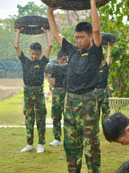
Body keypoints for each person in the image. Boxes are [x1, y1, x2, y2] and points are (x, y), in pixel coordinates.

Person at [47, 0, 103, 171]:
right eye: (76, 37)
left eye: (82, 37)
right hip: (70, 102)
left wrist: (93, 2)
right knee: (71, 146)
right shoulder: (72, 51)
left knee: (91, 146)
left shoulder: (95, 52)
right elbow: (56, 35)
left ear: (90, 37)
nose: (78, 40)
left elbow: (96, 29)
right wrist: (50, 13)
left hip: (88, 103)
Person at [14, 28, 52, 153]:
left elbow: (50, 45)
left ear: (40, 53)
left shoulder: (42, 62)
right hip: (28, 93)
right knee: (29, 118)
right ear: (30, 52)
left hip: (39, 93)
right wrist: (18, 31)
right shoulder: (25, 61)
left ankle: (41, 143)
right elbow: (16, 46)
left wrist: (46, 32)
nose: (34, 56)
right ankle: (29, 143)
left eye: (36, 54)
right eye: (32, 53)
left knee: (40, 118)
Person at [45, 50, 67, 146]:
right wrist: (46, 75)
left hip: (67, 93)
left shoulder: (68, 68)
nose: (64, 61)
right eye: (62, 60)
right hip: (57, 92)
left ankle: (68, 139)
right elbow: (52, 84)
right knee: (56, 116)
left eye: (66, 59)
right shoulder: (55, 69)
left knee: (68, 117)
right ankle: (57, 138)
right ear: (58, 59)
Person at [95, 42, 111, 123]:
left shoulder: (105, 68)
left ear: (103, 60)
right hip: (95, 92)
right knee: (95, 112)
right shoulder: (93, 69)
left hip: (104, 92)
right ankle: (95, 130)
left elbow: (108, 56)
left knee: (106, 112)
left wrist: (109, 45)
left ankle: (106, 129)